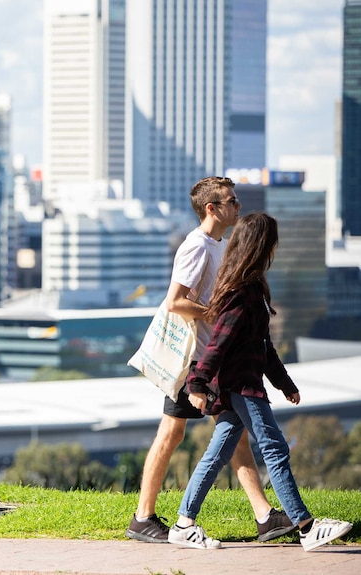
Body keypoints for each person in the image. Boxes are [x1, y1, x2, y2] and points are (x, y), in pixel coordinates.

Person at [168, 213, 353, 550]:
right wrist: (196, 384)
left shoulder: (252, 287)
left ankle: (183, 524)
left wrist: (285, 383)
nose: (275, 248)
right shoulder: (240, 292)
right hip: (241, 385)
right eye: (272, 243)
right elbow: (217, 344)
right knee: (275, 448)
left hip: (244, 382)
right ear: (261, 247)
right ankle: (306, 527)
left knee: (217, 454)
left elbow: (262, 345)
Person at [126, 177, 294, 544]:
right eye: (232, 202)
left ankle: (265, 516)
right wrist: (220, 315)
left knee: (232, 434)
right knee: (173, 433)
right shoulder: (197, 246)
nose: (238, 207)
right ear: (211, 208)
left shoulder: (220, 244)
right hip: (194, 362)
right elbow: (175, 301)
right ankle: (143, 517)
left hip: (212, 359)